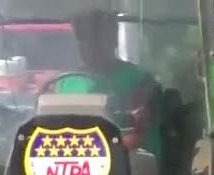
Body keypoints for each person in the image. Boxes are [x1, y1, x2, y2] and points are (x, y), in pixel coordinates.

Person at [53, 9, 164, 155]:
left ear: (113, 39)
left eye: (96, 38)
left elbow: (137, 132)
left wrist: (94, 152)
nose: (88, 45)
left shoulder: (141, 81)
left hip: (130, 167)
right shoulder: (64, 83)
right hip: (71, 166)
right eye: (82, 38)